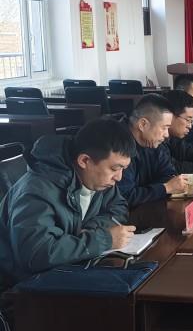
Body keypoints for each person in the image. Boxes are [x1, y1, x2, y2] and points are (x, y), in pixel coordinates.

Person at [0, 119, 137, 290]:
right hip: (22, 287)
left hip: (67, 268)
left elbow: (118, 207)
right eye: (115, 168)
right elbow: (36, 254)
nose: (119, 177)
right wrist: (104, 240)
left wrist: (93, 228)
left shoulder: (98, 179)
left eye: (123, 169)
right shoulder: (36, 191)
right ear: (84, 160)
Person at [118, 94, 188, 206]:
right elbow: (124, 197)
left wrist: (151, 190)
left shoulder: (153, 142)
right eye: (164, 127)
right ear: (143, 124)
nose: (166, 134)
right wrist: (164, 188)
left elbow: (169, 174)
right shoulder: (118, 145)